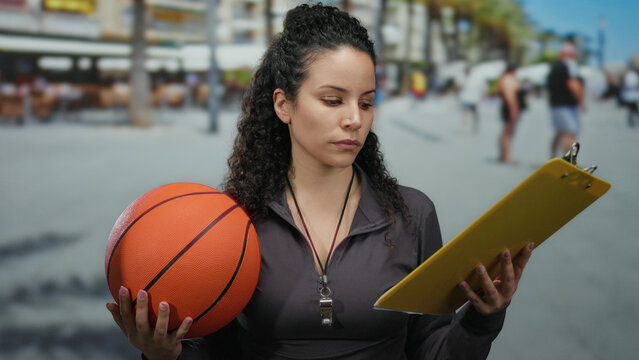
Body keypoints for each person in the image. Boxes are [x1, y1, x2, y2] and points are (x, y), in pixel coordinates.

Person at [106, 4, 533, 360]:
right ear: (284, 105)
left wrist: (482, 318)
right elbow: (217, 353)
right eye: (333, 100)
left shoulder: (413, 213)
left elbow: (432, 351)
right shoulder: (234, 221)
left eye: (366, 102)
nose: (354, 119)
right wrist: (164, 354)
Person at [547, 43, 585, 158]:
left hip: (557, 105)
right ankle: (567, 162)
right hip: (565, 105)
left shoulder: (556, 66)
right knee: (569, 134)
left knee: (560, 132)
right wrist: (581, 101)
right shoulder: (568, 66)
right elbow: (573, 84)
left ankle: (553, 158)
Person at [497, 63, 522, 163]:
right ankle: (506, 155)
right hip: (509, 108)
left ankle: (504, 154)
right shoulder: (508, 79)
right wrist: (513, 109)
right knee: (508, 132)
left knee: (507, 132)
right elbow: (509, 95)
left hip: (508, 107)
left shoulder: (504, 78)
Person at [459, 67, 487, 134]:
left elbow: (483, 88)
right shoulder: (465, 79)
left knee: (472, 114)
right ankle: (466, 127)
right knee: (467, 114)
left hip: (473, 99)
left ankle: (473, 127)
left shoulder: (475, 79)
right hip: (468, 99)